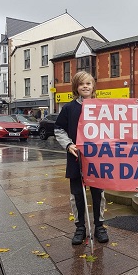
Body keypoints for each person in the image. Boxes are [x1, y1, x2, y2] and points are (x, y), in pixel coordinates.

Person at [54, 71, 109, 245]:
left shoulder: (102, 107)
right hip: (76, 158)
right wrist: (69, 145)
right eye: (81, 84)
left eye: (88, 83)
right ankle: (80, 228)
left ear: (93, 87)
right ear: (76, 88)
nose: (85, 86)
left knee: (98, 194)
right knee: (77, 195)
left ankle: (99, 226)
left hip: (98, 160)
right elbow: (59, 129)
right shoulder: (69, 108)